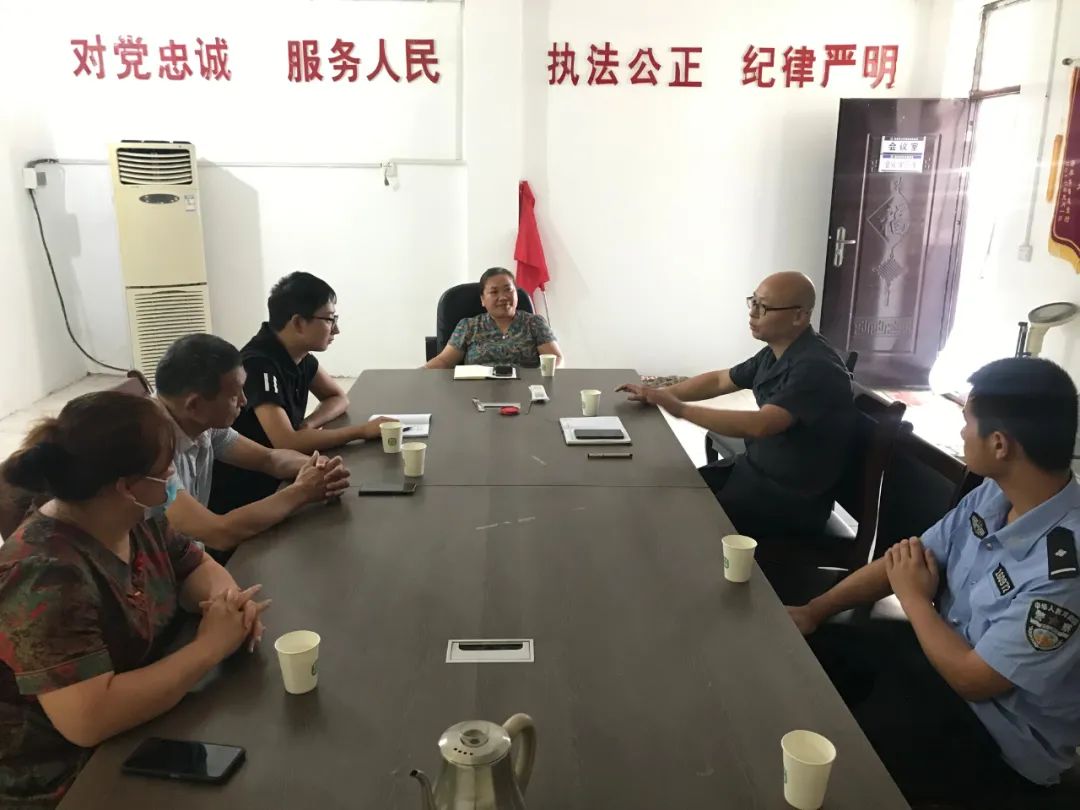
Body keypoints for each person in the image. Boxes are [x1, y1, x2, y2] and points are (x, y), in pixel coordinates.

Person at [787, 357, 1080, 809]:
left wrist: (914, 598)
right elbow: (902, 562)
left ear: (1000, 444)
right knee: (809, 662)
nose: (962, 432)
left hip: (997, 738)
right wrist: (814, 610)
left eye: (968, 422)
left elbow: (972, 680)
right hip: (934, 662)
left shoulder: (1065, 567)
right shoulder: (995, 492)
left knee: (846, 762)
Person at [0, 391, 270, 808]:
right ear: (126, 486)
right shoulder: (44, 573)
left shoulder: (136, 519)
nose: (173, 476)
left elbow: (194, 565)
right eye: (165, 470)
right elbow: (89, 720)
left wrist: (227, 604)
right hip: (73, 778)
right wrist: (210, 647)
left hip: (148, 724)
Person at [616, 271, 855, 538]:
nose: (752, 313)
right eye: (753, 302)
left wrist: (680, 409)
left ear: (799, 315)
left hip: (786, 501)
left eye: (763, 307)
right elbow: (721, 380)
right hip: (754, 471)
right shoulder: (776, 352)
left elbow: (760, 425)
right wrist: (658, 394)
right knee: (664, 488)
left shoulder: (816, 368)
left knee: (677, 518)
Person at [155, 334, 350, 559]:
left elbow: (269, 459)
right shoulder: (151, 452)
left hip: (192, 559)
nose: (244, 401)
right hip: (165, 571)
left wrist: (317, 466)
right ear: (195, 405)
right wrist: (302, 491)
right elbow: (218, 533)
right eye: (234, 395)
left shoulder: (202, 423)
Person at [209, 272, 389, 514]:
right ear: (298, 323)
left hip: (284, 473)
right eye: (329, 319)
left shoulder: (298, 355)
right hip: (252, 491)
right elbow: (286, 442)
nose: (336, 329)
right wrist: (361, 431)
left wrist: (309, 424)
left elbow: (338, 397)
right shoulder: (258, 363)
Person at [424, 267, 563, 369]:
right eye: (494, 292)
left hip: (526, 392)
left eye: (508, 290)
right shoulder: (469, 326)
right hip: (476, 393)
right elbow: (444, 361)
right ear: (482, 299)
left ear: (516, 294)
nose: (503, 297)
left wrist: (541, 380)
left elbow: (555, 359)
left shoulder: (534, 323)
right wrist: (417, 375)